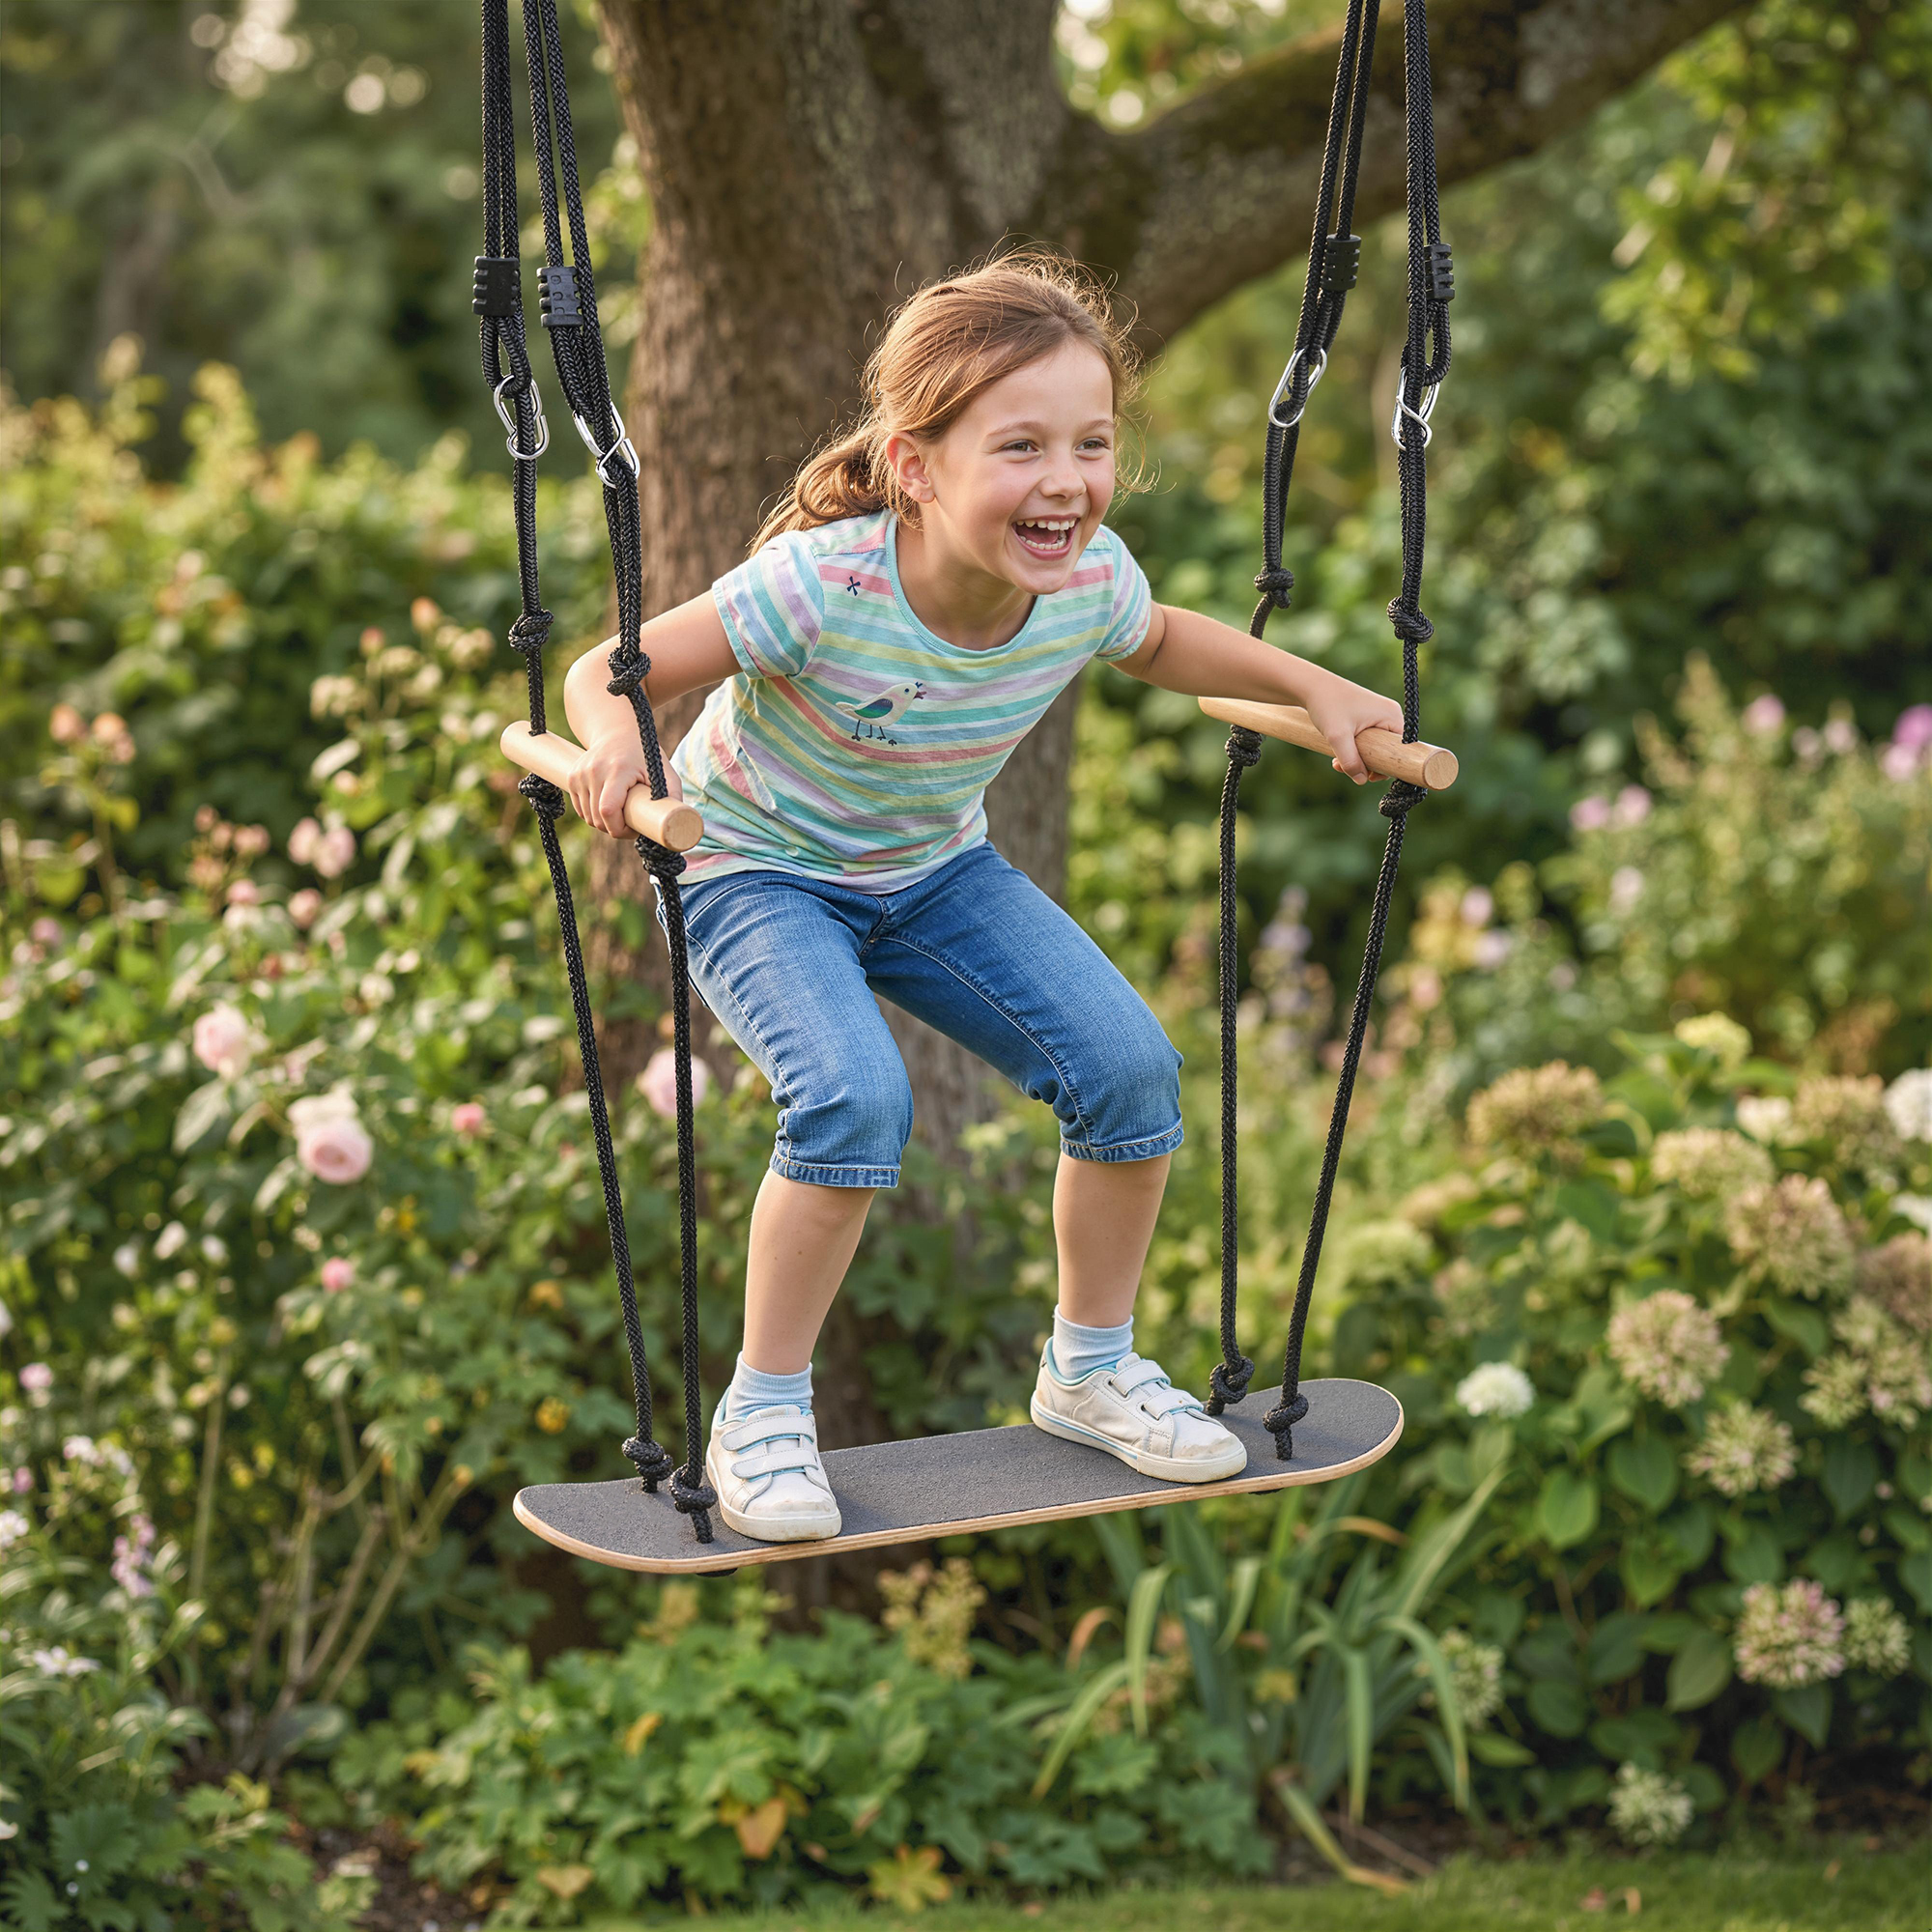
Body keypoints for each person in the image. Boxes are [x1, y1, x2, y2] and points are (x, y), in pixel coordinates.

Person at [561, 254, 1400, 1544]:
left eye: (1092, 442)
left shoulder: (1081, 584)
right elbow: (609, 668)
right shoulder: (823, 586)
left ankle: (1090, 1367)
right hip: (750, 866)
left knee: (1129, 1072)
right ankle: (764, 1410)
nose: (1065, 478)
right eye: (1021, 445)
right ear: (915, 465)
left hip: (931, 871)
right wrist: (617, 738)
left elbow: (1166, 636)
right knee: (851, 1095)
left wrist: (1321, 688)